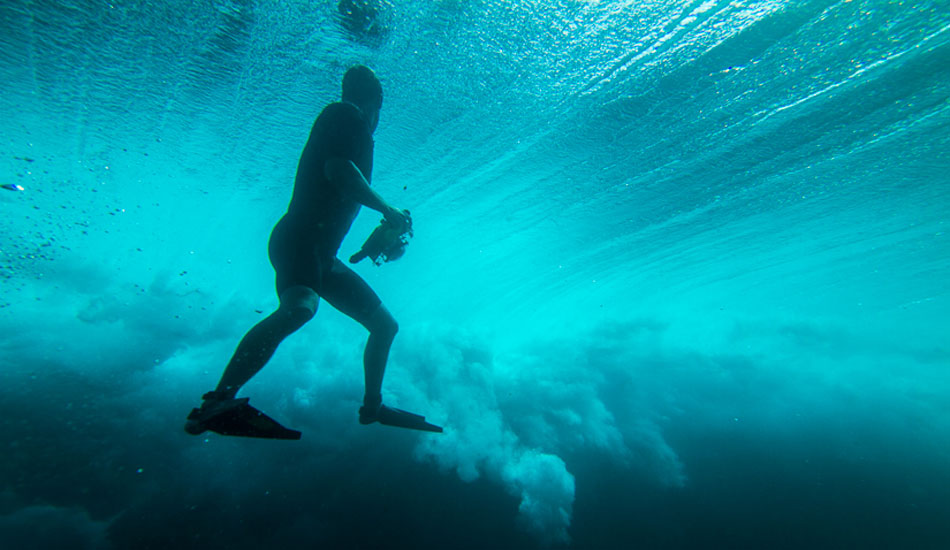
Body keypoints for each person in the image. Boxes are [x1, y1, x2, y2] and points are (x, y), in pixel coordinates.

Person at [185, 65, 440, 438]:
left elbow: (341, 188)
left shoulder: (349, 127)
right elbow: (338, 172)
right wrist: (387, 210)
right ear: (376, 105)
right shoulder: (346, 115)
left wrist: (376, 238)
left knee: (385, 326)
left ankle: (373, 407)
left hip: (322, 256)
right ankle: (217, 402)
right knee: (300, 307)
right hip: (299, 241)